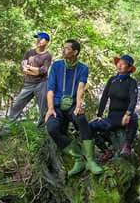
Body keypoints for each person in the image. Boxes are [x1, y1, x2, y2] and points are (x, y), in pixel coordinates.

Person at [44, 39, 103, 177]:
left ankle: (90, 160)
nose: (63, 50)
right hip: (57, 106)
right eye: (63, 48)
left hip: (71, 106)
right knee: (52, 128)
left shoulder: (83, 68)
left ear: (75, 52)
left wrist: (78, 105)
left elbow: (81, 87)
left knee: (81, 120)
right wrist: (50, 108)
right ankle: (78, 157)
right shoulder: (57, 65)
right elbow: (50, 89)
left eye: (67, 48)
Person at [90, 55, 139, 158]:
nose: (119, 65)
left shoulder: (131, 82)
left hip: (125, 117)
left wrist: (128, 113)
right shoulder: (112, 80)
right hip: (112, 118)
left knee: (134, 118)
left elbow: (134, 100)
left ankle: (127, 146)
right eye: (119, 62)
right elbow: (104, 97)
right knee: (90, 126)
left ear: (129, 68)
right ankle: (106, 151)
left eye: (123, 63)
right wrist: (99, 115)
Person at [8, 32, 53, 125]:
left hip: (42, 84)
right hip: (28, 84)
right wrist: (34, 70)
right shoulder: (29, 53)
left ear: (47, 42)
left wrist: (30, 68)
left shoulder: (47, 55)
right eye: (37, 38)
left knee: (43, 108)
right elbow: (23, 67)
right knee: (17, 104)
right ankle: (8, 125)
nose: (38, 40)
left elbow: (43, 71)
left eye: (41, 39)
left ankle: (42, 129)